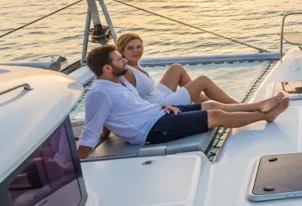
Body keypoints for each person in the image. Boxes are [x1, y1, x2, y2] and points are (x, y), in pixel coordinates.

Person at [77, 44, 289, 160]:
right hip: (152, 130)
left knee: (210, 105)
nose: (124, 60)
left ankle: (259, 105)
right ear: (106, 68)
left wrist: (162, 106)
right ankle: (265, 115)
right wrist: (79, 165)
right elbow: (90, 131)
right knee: (216, 116)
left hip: (159, 114)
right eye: (119, 59)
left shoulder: (118, 82)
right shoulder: (99, 94)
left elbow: (135, 106)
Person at [115, 32, 238, 106]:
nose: (136, 51)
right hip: (159, 105)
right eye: (130, 48)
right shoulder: (126, 71)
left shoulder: (135, 65)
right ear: (121, 51)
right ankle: (234, 106)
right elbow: (114, 92)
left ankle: (201, 100)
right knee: (203, 81)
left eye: (139, 47)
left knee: (176, 68)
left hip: (158, 94)